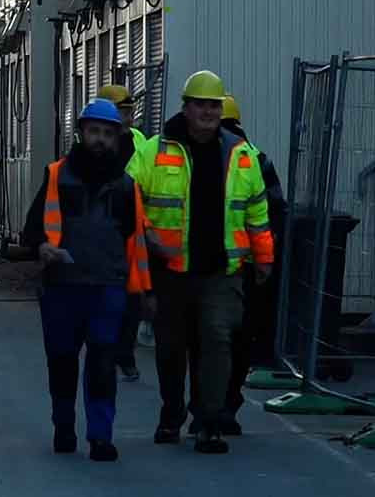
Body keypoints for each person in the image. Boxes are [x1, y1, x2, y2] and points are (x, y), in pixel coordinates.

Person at [127, 70, 274, 454]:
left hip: (221, 272)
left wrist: (264, 258)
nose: (208, 112)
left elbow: (257, 211)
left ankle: (209, 422)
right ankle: (171, 414)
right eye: (201, 105)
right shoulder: (155, 150)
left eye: (214, 105)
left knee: (217, 342)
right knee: (171, 347)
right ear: (186, 108)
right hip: (171, 269)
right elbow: (127, 196)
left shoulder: (242, 155)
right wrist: (147, 234)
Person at [22, 98, 153, 462]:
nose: (99, 140)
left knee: (101, 363)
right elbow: (31, 231)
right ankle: (64, 426)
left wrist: (142, 292)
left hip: (107, 287)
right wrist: (42, 247)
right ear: (80, 133)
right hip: (62, 286)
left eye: (107, 134)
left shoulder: (127, 187)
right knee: (62, 361)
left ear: (117, 138)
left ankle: (100, 436)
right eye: (93, 131)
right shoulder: (56, 176)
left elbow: (135, 243)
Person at [208, 93, 287, 435]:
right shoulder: (258, 159)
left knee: (212, 340)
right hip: (250, 267)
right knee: (240, 340)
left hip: (214, 267)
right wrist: (265, 260)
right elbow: (275, 214)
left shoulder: (202, 158)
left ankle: (209, 406)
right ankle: (227, 404)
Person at [97, 84, 147, 382]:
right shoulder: (97, 142)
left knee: (134, 296)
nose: (128, 116)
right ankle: (107, 348)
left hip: (134, 229)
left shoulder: (140, 140)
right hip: (104, 228)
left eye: (129, 110)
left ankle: (124, 352)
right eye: (122, 110)